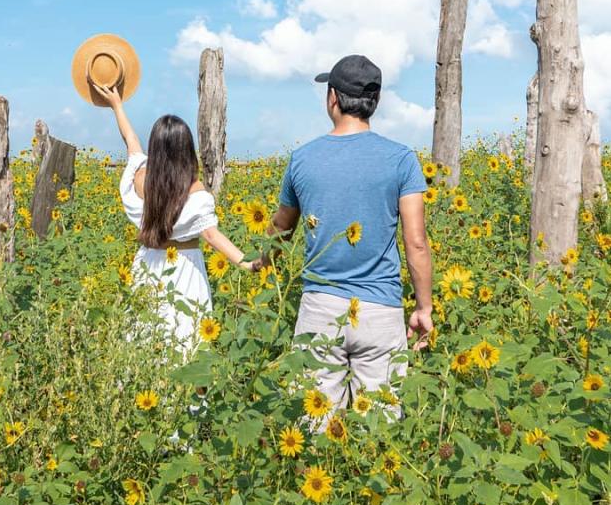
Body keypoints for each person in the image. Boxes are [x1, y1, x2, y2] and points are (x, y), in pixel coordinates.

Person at [269, 55, 434, 412]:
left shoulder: (303, 158)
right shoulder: (401, 159)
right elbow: (416, 242)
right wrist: (424, 307)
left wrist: (263, 262)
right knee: (379, 428)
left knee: (314, 425)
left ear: (333, 98)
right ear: (373, 102)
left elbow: (281, 228)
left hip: (320, 309)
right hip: (380, 310)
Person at [96, 84, 260, 352]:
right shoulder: (195, 193)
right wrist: (249, 264)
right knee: (187, 341)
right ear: (187, 150)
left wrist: (117, 105)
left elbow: (131, 141)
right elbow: (211, 235)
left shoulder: (140, 179)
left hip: (147, 266)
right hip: (185, 269)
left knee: (144, 336)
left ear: (155, 149)